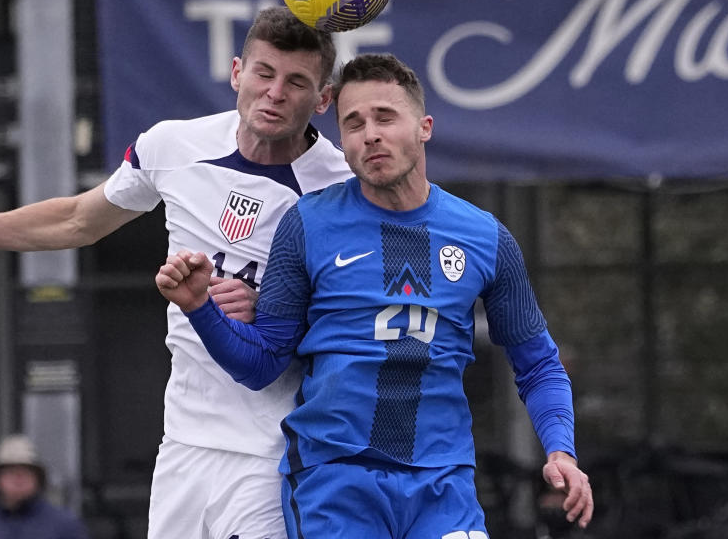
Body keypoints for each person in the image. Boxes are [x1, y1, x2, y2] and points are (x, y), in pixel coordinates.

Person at [0, 6, 352, 539]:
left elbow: (359, 318)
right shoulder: (173, 146)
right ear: (236, 72)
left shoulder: (339, 187)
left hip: (271, 447)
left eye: (297, 82)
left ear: (322, 99)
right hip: (184, 443)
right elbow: (75, 221)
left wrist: (281, 310)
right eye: (264, 73)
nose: (275, 93)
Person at [155, 53, 595, 538]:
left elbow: (537, 364)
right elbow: (261, 364)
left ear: (424, 126)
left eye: (385, 117)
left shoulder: (484, 237)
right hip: (335, 483)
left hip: (442, 486)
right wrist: (199, 306)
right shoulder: (306, 225)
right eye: (353, 123)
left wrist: (561, 451)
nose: (370, 134)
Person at [0, 434, 88, 539]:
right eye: (10, 472)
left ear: (38, 479)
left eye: (25, 472)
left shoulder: (65, 526)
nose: (18, 479)